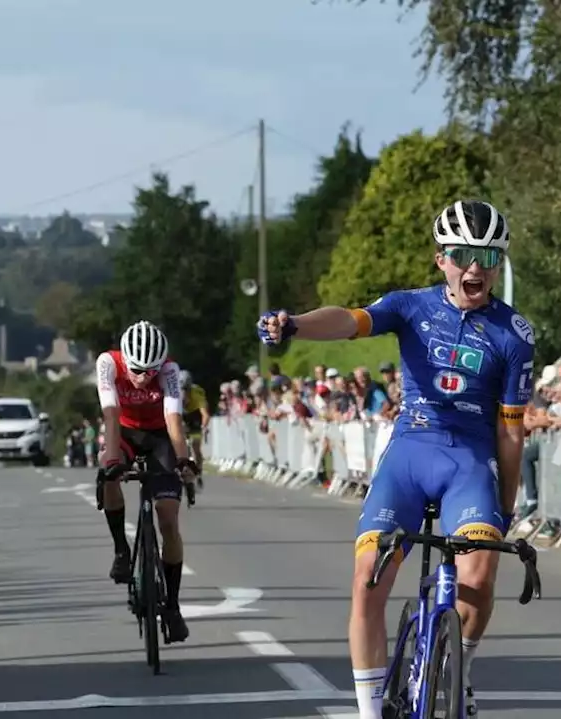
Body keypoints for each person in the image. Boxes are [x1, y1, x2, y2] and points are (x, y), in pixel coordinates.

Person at [257, 199, 534, 719]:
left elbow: (510, 432)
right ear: (441, 259)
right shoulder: (411, 306)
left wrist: (506, 506)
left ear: (499, 263)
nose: (474, 266)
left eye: (487, 257)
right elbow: (349, 320)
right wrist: (294, 324)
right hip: (411, 451)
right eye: (461, 254)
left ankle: (460, 671)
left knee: (478, 576)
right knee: (367, 581)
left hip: (470, 462)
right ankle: (367, 712)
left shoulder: (514, 335)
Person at [94, 320, 198, 643]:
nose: (143, 378)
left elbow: (173, 419)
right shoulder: (108, 363)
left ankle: (173, 606)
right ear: (126, 360)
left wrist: (184, 460)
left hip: (159, 438)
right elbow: (110, 415)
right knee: (108, 472)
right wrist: (112, 461)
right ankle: (121, 550)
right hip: (122, 433)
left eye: (150, 371)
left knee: (168, 518)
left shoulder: (168, 371)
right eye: (137, 370)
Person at [179, 370, 209, 490]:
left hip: (194, 417)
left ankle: (199, 471)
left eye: (186, 389)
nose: (184, 392)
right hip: (180, 416)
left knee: (195, 446)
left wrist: (203, 426)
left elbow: (205, 415)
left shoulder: (197, 394)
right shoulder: (173, 393)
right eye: (181, 389)